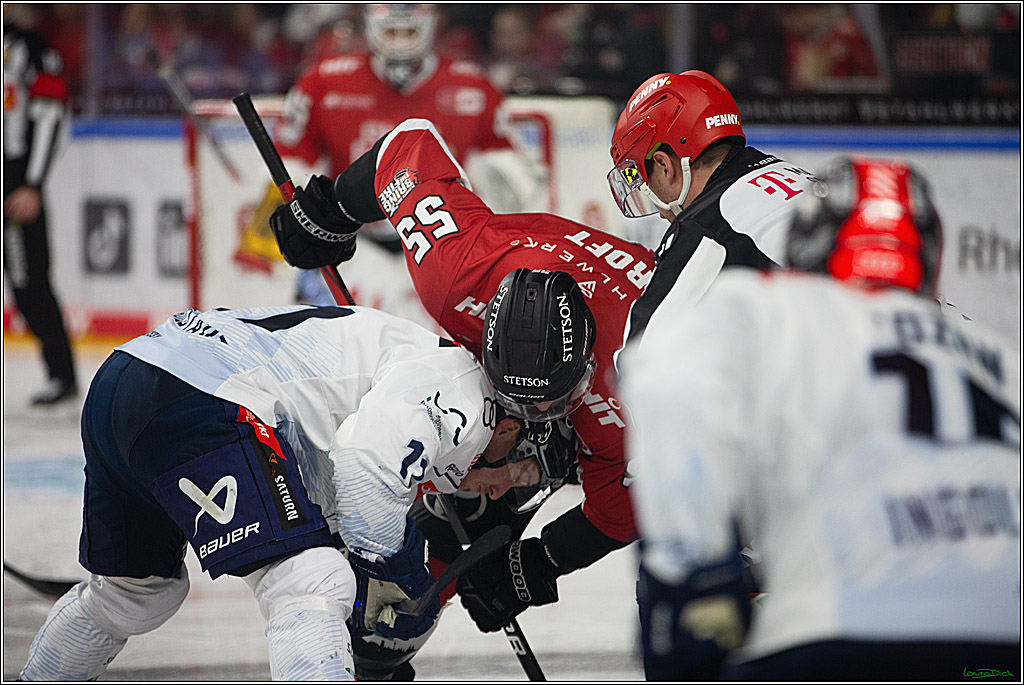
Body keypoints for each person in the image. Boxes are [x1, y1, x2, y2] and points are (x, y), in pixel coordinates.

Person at [266, 117, 657, 677]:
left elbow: (619, 514)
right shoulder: (457, 273)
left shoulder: (634, 384)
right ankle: (374, 653)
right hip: (518, 362)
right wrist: (332, 210)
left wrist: (534, 564)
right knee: (444, 516)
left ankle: (377, 646)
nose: (531, 417)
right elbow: (405, 147)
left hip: (620, 389)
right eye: (513, 401)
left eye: (547, 405)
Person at [620, 157, 1021, 680]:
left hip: (839, 637)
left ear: (807, 244)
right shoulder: (995, 354)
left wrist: (695, 576)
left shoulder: (776, 309)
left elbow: (659, 376)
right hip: (999, 648)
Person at [18, 302, 557, 681]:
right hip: (196, 398)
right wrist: (398, 573)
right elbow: (365, 468)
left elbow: (342, 476)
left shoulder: (411, 361)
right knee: (309, 583)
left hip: (125, 380)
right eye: (518, 474)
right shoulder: (467, 393)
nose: (500, 487)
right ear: (509, 428)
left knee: (132, 592)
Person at [268, 2, 542, 314]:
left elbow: (512, 182)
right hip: (355, 251)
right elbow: (291, 169)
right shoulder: (321, 83)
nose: (400, 38)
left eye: (408, 29)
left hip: (443, 253)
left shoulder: (475, 86)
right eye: (392, 29)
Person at [606, 69, 818, 343]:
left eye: (648, 182)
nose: (660, 212)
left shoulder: (706, 226)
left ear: (663, 165)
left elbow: (640, 358)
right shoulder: (789, 172)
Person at [3, 3, 78, 407]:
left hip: (14, 181)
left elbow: (50, 115)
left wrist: (32, 183)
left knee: (29, 283)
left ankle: (62, 375)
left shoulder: (32, 49)